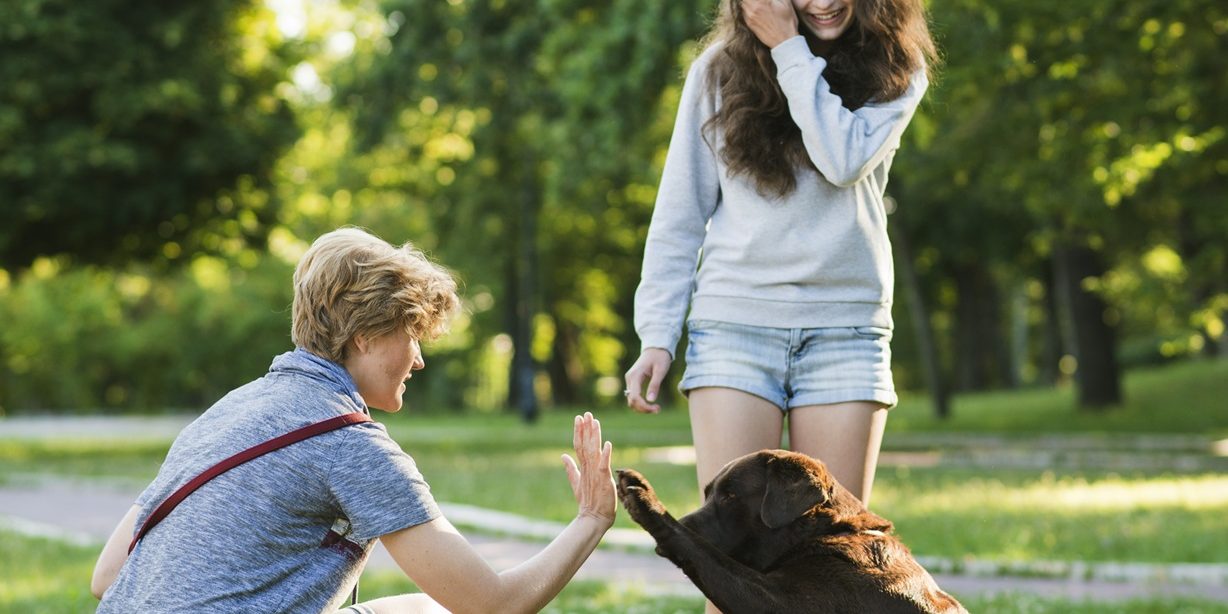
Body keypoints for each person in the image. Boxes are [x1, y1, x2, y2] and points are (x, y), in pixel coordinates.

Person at [92, 227, 616, 613]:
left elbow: (108, 576)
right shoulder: (349, 444)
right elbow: (493, 606)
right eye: (412, 334)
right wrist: (591, 518)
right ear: (365, 336)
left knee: (419, 608)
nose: (418, 359)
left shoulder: (229, 410)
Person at [625, 0, 936, 518]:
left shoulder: (896, 68)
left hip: (845, 332)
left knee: (828, 546)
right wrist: (657, 333)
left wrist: (788, 47)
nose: (823, 3)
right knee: (732, 543)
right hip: (734, 328)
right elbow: (680, 215)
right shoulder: (718, 71)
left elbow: (843, 161)